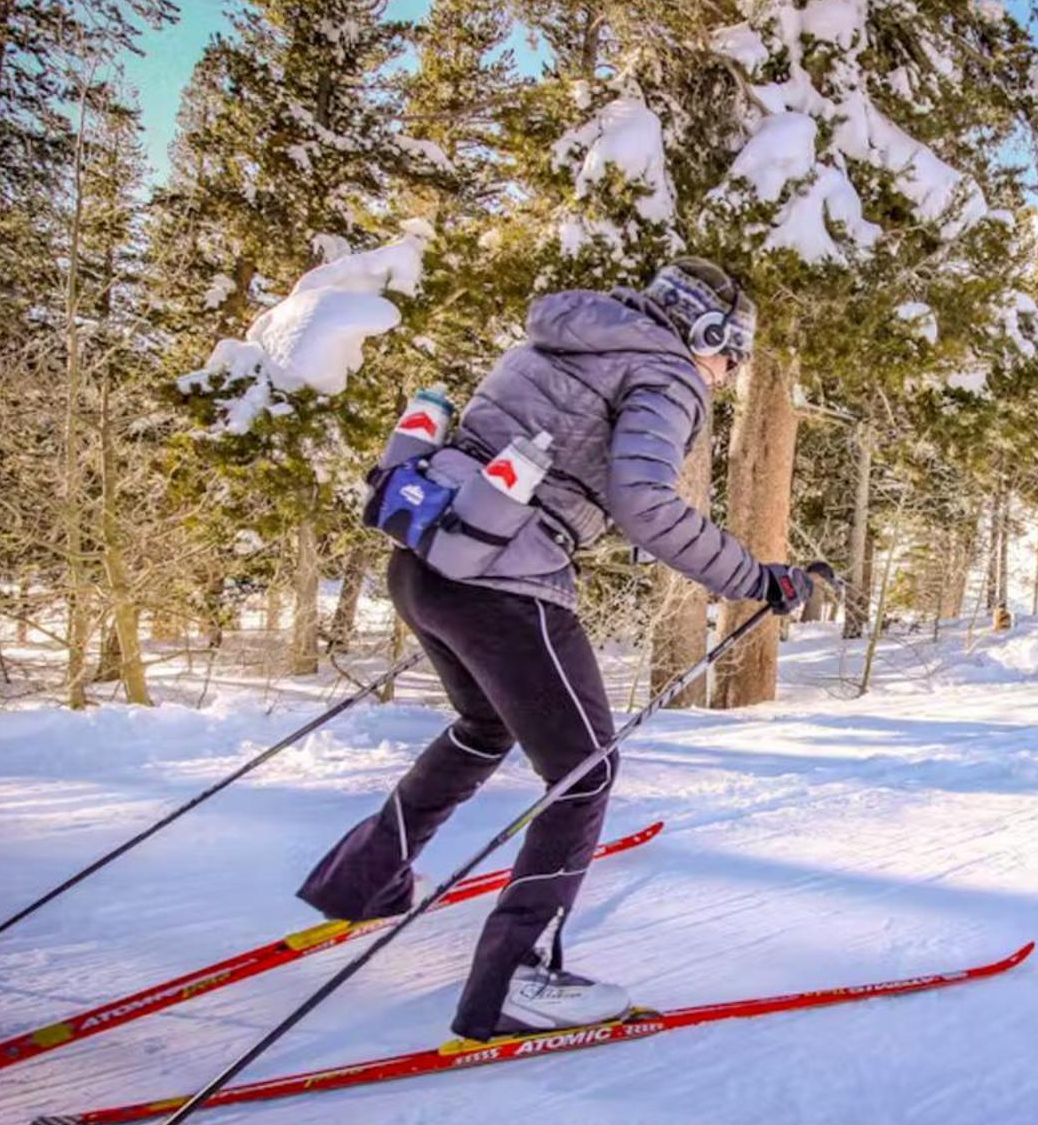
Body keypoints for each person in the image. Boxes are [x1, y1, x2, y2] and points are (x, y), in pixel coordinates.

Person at [299, 259, 814, 1043]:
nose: (726, 375)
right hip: (504, 587)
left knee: (483, 727)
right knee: (584, 772)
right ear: (706, 336)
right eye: (731, 355)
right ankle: (513, 983)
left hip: (425, 563)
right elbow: (646, 502)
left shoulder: (569, 334)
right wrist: (755, 577)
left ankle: (364, 881)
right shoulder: (666, 374)